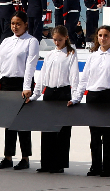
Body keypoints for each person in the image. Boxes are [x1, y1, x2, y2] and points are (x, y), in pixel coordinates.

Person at [0, 12, 39, 169]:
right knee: (8, 123)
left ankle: (25, 158)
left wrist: (27, 87)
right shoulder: (6, 41)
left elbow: (30, 65)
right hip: (6, 83)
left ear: (25, 24)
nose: (15, 27)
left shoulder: (31, 41)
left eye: (18, 24)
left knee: (23, 123)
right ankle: (8, 157)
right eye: (12, 23)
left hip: (22, 84)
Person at [76, 25, 110, 177]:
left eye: (106, 35)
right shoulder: (92, 56)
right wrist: (77, 97)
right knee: (94, 135)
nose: (103, 38)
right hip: (93, 97)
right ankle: (95, 166)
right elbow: (84, 79)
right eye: (100, 35)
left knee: (109, 135)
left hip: (109, 97)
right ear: (97, 38)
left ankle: (108, 167)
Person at [32, 22, 78, 173]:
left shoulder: (70, 54)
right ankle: (46, 162)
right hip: (50, 93)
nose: (57, 42)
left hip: (63, 93)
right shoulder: (50, 55)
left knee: (62, 130)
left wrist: (75, 97)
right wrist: (35, 94)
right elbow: (42, 76)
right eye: (55, 39)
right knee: (47, 129)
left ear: (66, 38)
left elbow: (74, 77)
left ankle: (59, 164)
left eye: (60, 39)